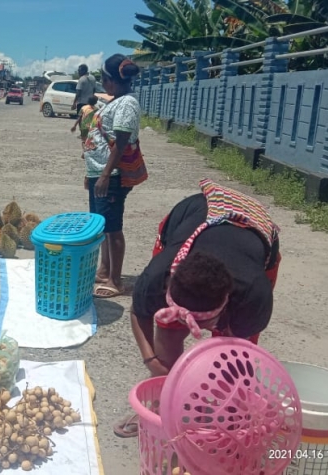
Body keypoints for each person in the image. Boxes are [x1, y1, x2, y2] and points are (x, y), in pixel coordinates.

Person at [112, 180, 281, 438]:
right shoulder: (157, 275)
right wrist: (152, 361)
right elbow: (139, 312)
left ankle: (227, 416)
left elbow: (238, 352)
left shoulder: (253, 295)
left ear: (226, 303)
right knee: (167, 339)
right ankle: (160, 407)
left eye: (202, 322)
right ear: (170, 283)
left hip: (254, 227)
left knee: (231, 365)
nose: (191, 326)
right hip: (195, 212)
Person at [84, 54, 144, 299]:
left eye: (103, 78)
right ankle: (105, 270)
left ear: (111, 80)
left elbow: (120, 143)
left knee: (113, 227)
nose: (102, 83)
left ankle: (115, 280)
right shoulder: (114, 101)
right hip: (99, 173)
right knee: (103, 227)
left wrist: (106, 174)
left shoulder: (126, 103)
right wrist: (92, 173)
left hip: (113, 176)